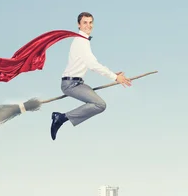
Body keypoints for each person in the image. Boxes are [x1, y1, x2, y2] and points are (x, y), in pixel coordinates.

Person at [50, 12, 132, 140]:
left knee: (98, 104)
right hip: (70, 85)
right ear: (79, 25)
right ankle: (60, 118)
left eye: (90, 22)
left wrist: (113, 74)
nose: (88, 25)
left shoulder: (83, 41)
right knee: (100, 105)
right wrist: (115, 78)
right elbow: (93, 65)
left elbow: (92, 63)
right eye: (85, 23)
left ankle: (61, 117)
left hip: (78, 83)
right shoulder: (81, 41)